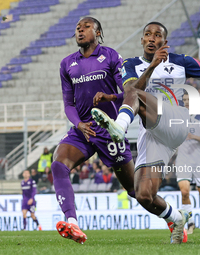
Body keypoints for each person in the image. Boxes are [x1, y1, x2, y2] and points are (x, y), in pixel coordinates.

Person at [91, 22, 200, 244]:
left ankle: (119, 127)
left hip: (176, 122)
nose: (151, 38)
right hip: (151, 133)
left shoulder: (181, 61)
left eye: (157, 35)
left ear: (164, 43)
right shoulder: (129, 65)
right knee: (144, 195)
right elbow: (130, 91)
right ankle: (177, 219)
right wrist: (149, 69)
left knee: (138, 96)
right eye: (147, 34)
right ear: (141, 40)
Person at [53, 17, 135, 244]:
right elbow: (68, 104)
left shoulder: (110, 56)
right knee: (58, 165)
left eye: (86, 27)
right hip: (83, 129)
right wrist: (78, 124)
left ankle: (171, 217)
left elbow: (128, 93)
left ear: (98, 32)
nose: (80, 30)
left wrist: (111, 98)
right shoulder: (67, 63)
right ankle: (73, 224)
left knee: (135, 190)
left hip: (109, 130)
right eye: (78, 28)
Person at [175, 92, 200, 234]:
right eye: (184, 99)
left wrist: (193, 137)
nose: (186, 102)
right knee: (184, 192)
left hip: (199, 160)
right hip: (183, 160)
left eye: (189, 99)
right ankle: (190, 224)